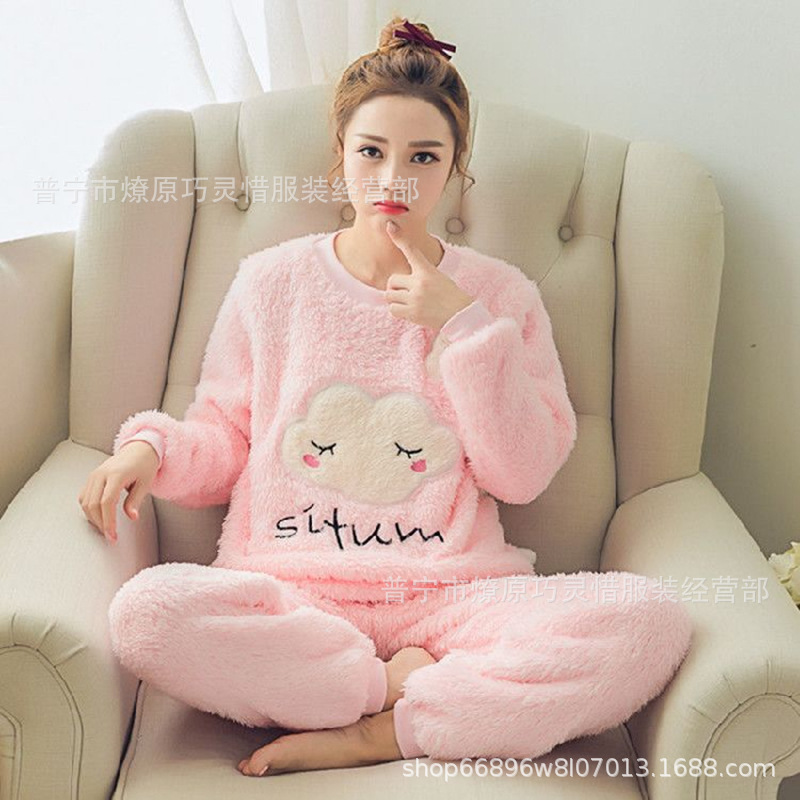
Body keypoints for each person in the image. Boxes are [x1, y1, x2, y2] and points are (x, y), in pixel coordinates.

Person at [77, 16, 692, 778]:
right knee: (145, 614)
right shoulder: (271, 282)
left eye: (423, 156)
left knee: (649, 622)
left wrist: (463, 327)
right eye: (372, 152)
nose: (394, 178)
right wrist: (151, 448)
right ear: (340, 157)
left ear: (456, 169)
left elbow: (523, 473)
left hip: (453, 598)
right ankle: (379, 691)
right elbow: (223, 434)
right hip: (293, 592)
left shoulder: (501, 297)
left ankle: (386, 731)